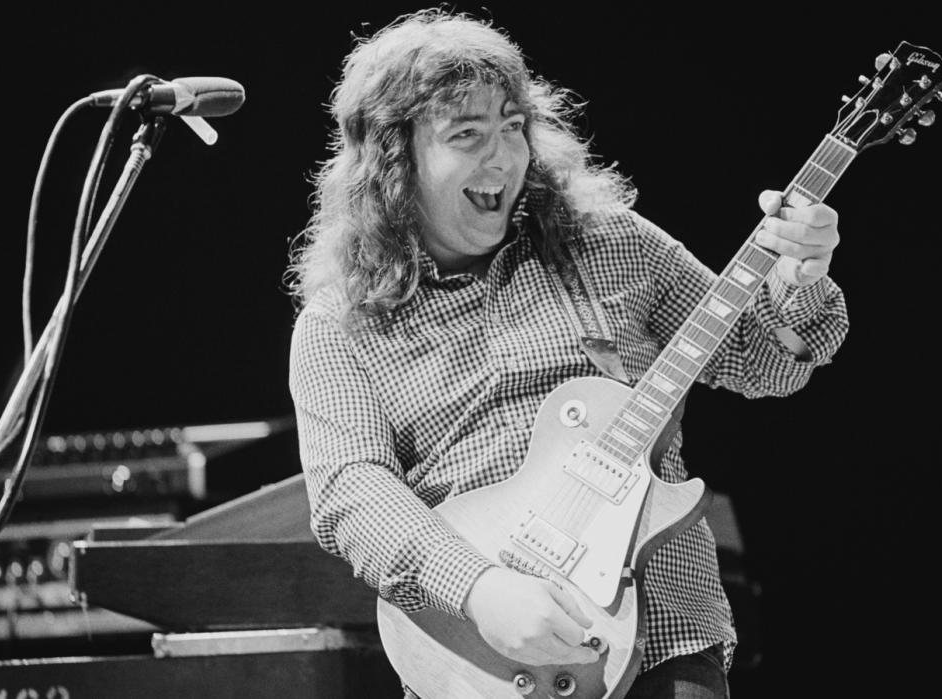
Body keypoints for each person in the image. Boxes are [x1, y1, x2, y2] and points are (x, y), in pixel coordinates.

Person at [287, 9, 848, 698]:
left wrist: (799, 276)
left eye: (513, 127)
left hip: (662, 628)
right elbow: (352, 492)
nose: (503, 157)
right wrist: (481, 588)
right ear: (393, 164)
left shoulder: (609, 244)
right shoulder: (338, 325)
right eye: (467, 135)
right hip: (477, 656)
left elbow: (762, 358)